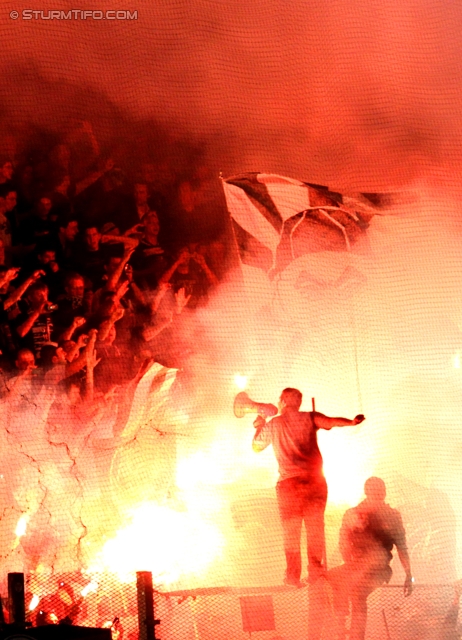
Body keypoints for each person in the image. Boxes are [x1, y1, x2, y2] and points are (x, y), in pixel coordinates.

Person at [252, 387, 365, 587]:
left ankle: (293, 576)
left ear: (283, 401)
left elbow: (256, 447)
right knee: (315, 528)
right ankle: (315, 571)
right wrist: (352, 422)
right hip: (315, 483)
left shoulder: (274, 424)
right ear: (298, 402)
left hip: (289, 485)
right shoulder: (311, 417)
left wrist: (259, 425)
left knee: (291, 530)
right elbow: (331, 421)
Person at [329, 477, 413, 640]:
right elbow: (343, 543)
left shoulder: (392, 516)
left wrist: (409, 575)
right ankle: (341, 622)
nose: (379, 496)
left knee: (358, 594)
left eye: (380, 492)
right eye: (376, 492)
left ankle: (354, 636)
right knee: (331, 579)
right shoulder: (353, 514)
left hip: (379, 569)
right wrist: (350, 566)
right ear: (368, 493)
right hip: (357, 566)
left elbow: (401, 546)